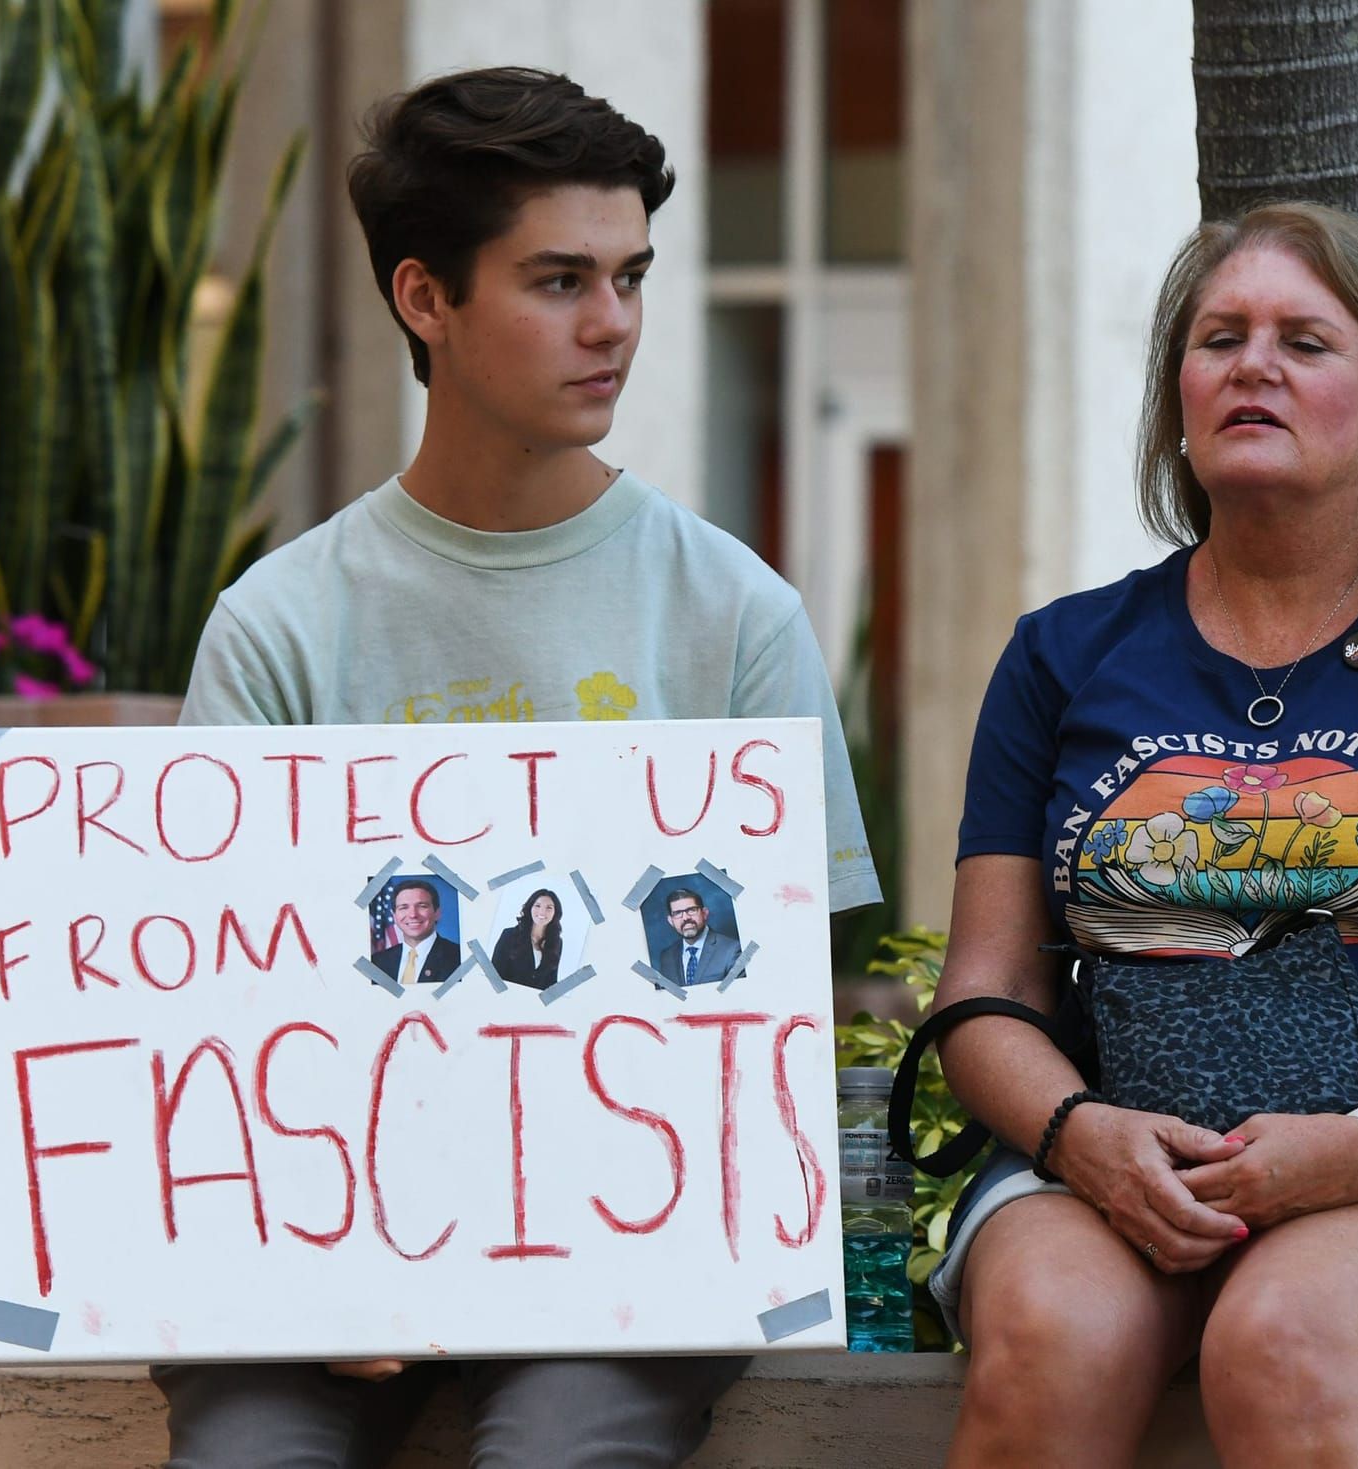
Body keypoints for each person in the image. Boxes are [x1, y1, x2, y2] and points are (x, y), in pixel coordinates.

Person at [158, 66, 879, 1469]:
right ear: (424, 299)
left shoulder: (736, 614)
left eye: (631, 276)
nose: (613, 324)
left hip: (631, 1233)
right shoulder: (282, 623)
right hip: (319, 1218)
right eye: (559, 280)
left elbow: (780, 1001)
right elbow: (212, 998)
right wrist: (315, 1262)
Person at [932, 201, 1358, 1469]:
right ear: (1179, 403)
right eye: (1219, 338)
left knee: (1285, 1334)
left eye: (1304, 341)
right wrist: (1078, 1132)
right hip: (1107, 1156)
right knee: (1046, 1330)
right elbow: (985, 988)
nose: (1252, 364)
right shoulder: (1062, 652)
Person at [370, 879, 460, 987]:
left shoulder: (458, 958)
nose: (413, 914)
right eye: (403, 907)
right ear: (394, 916)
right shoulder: (377, 962)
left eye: (422, 906)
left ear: (437, 913)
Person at [653, 887, 742, 986]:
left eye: (691, 910)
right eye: (678, 913)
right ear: (671, 921)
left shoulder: (732, 950)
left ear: (704, 913)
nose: (686, 918)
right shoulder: (666, 956)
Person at [492, 887, 564, 989]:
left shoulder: (557, 942)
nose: (542, 912)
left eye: (549, 908)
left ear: (555, 913)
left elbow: (551, 982)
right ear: (530, 908)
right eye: (537, 906)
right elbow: (495, 975)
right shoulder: (509, 935)